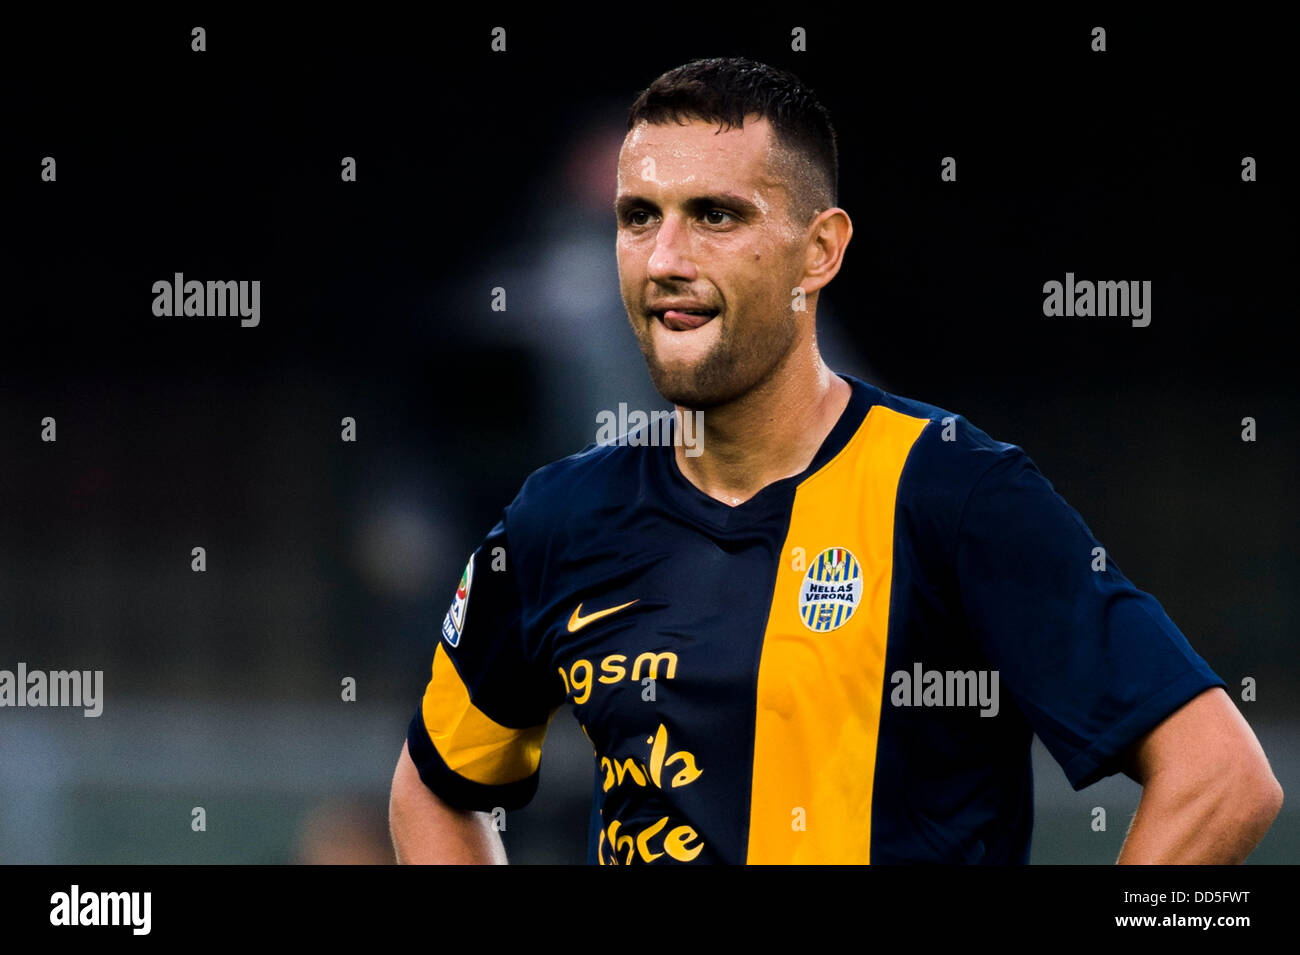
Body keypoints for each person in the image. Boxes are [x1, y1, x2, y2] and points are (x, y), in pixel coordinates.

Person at [388, 57, 1282, 864]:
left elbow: (1223, 779)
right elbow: (432, 787)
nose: (665, 258)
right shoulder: (558, 520)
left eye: (715, 216)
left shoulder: (954, 493)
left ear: (820, 251)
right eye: (638, 218)